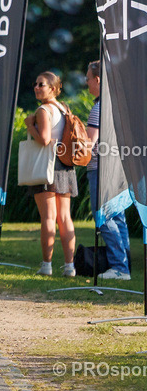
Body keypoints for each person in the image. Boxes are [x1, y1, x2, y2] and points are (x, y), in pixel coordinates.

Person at [25, 71, 78, 277]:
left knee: (48, 217)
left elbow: (44, 139)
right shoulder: (64, 108)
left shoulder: (43, 110)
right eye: (36, 83)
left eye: (42, 85)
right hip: (65, 165)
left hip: (48, 166)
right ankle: (69, 266)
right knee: (65, 217)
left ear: (53, 89)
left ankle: (46, 265)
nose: (37, 87)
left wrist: (30, 125)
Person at [86, 61, 131, 280]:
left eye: (88, 79)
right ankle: (124, 265)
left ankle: (119, 267)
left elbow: (89, 143)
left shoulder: (98, 108)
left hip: (101, 170)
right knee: (118, 216)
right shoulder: (117, 104)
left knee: (104, 217)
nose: (86, 84)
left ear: (98, 80)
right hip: (118, 168)